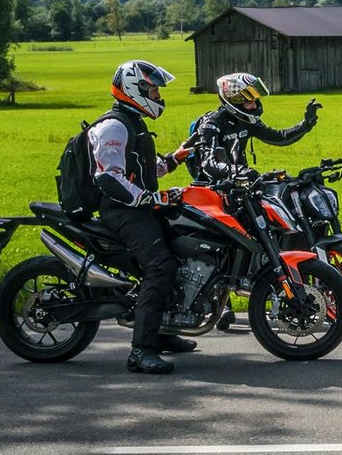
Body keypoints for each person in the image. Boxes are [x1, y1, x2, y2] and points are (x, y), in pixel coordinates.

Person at [90, 60, 195, 375]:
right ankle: (141, 351)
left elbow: (146, 171)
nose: (158, 95)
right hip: (121, 211)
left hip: (139, 206)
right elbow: (108, 178)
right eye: (152, 89)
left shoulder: (132, 122)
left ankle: (162, 332)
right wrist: (146, 198)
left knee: (180, 250)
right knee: (160, 265)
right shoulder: (114, 126)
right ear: (133, 90)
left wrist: (178, 157)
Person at [184, 72, 321, 184]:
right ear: (234, 102)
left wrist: (306, 124)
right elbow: (208, 165)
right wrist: (239, 171)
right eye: (249, 102)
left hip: (241, 184)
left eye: (255, 101)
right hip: (212, 190)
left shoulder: (246, 121)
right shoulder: (211, 124)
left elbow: (280, 138)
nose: (255, 106)